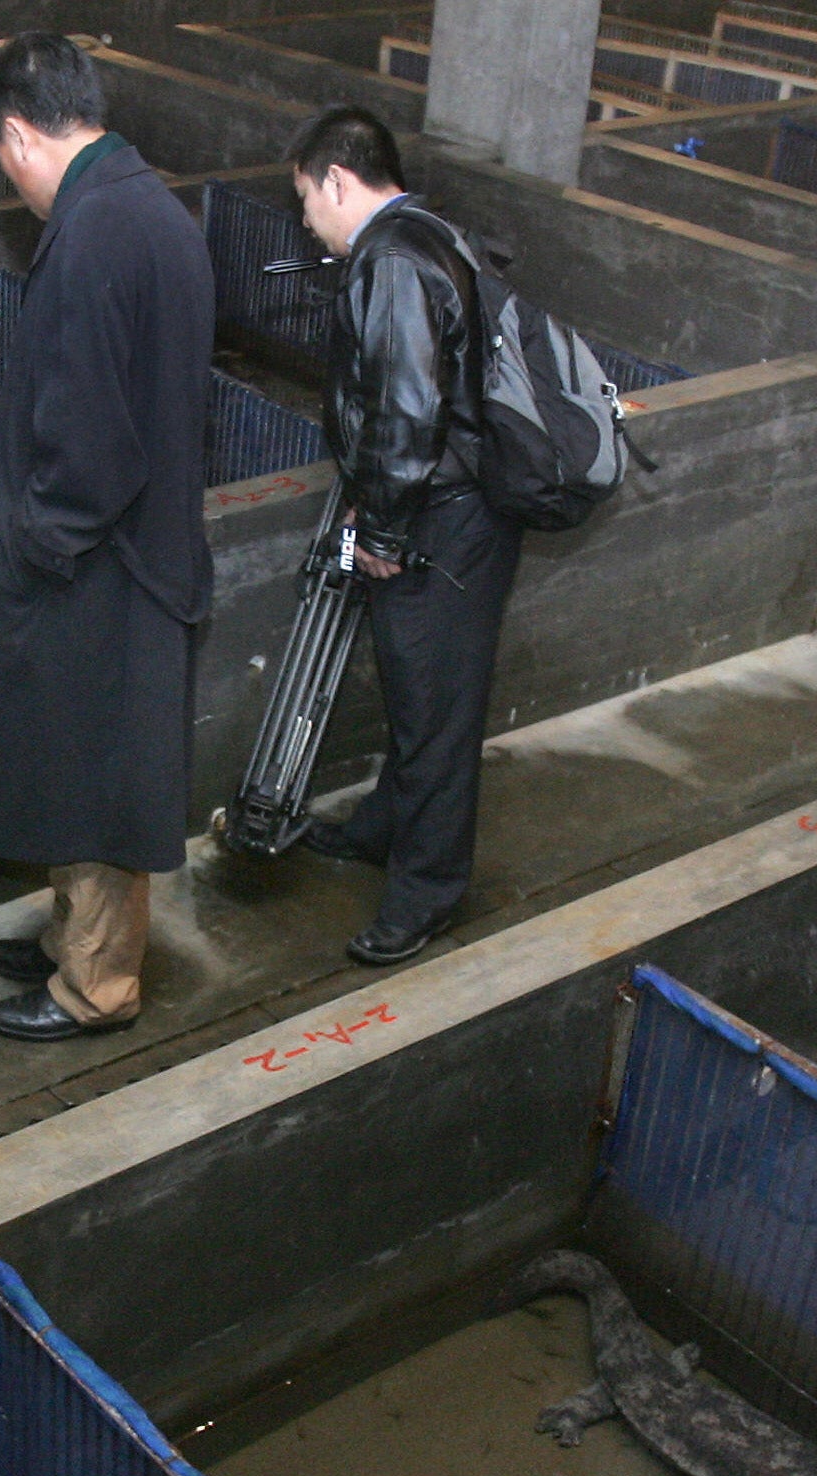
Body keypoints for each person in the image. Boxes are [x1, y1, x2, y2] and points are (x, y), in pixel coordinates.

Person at [0, 33, 218, 1042]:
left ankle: (94, 985)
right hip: (132, 552)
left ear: (18, 135)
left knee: (99, 774)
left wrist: (40, 538)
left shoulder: (99, 230)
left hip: (103, 564)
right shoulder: (145, 206)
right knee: (75, 761)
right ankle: (73, 940)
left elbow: (93, 437)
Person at [288, 106, 523, 967]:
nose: (307, 219)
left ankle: (426, 892)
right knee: (418, 688)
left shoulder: (388, 260)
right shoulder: (431, 230)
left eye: (307, 199)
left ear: (339, 181)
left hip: (442, 522)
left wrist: (380, 523)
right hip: (460, 508)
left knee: (435, 709)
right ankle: (384, 828)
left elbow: (406, 407)